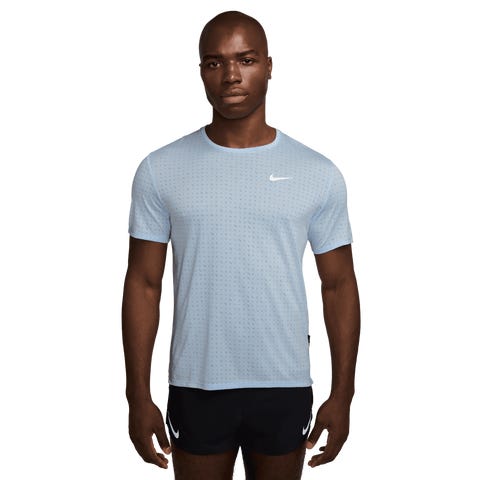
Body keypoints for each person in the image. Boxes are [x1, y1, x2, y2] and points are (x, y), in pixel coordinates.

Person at [122, 9, 360, 479]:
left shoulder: (317, 173)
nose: (231, 75)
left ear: (269, 66)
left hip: (284, 384)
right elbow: (144, 284)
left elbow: (339, 286)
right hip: (197, 383)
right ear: (201, 72)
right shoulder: (160, 169)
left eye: (245, 60)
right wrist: (137, 395)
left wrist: (343, 394)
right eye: (215, 62)